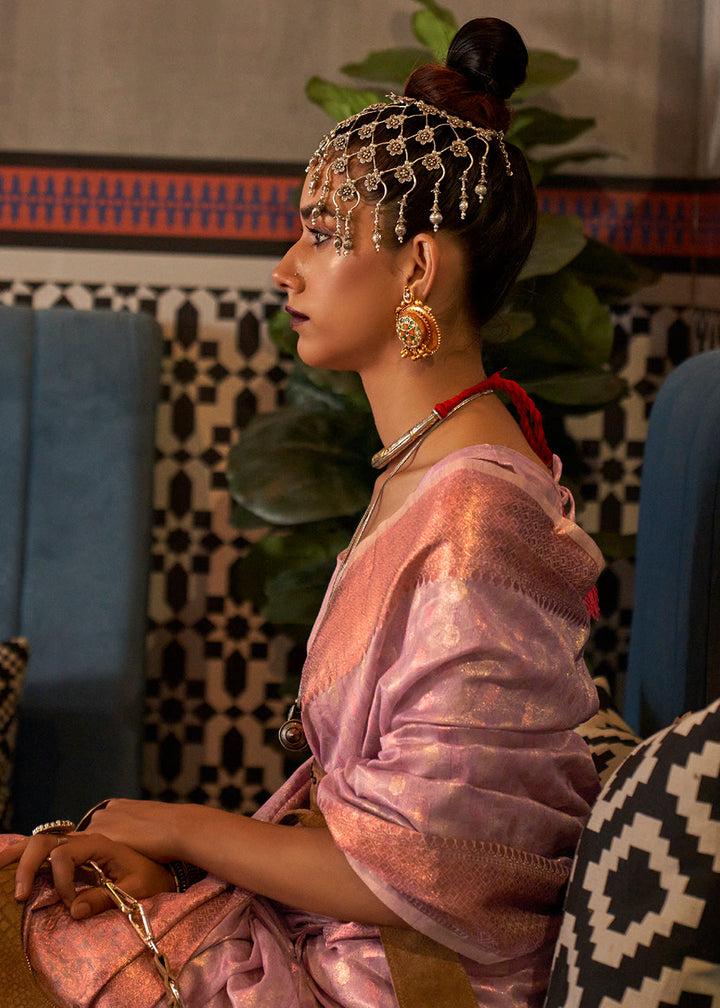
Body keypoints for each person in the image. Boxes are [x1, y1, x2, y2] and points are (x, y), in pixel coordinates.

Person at [0, 16, 603, 1008]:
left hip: (398, 978)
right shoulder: (428, 471)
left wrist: (184, 830)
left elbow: (433, 864)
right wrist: (178, 858)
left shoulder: (477, 517)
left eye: (323, 235)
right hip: (344, 931)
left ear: (417, 270)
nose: (286, 267)